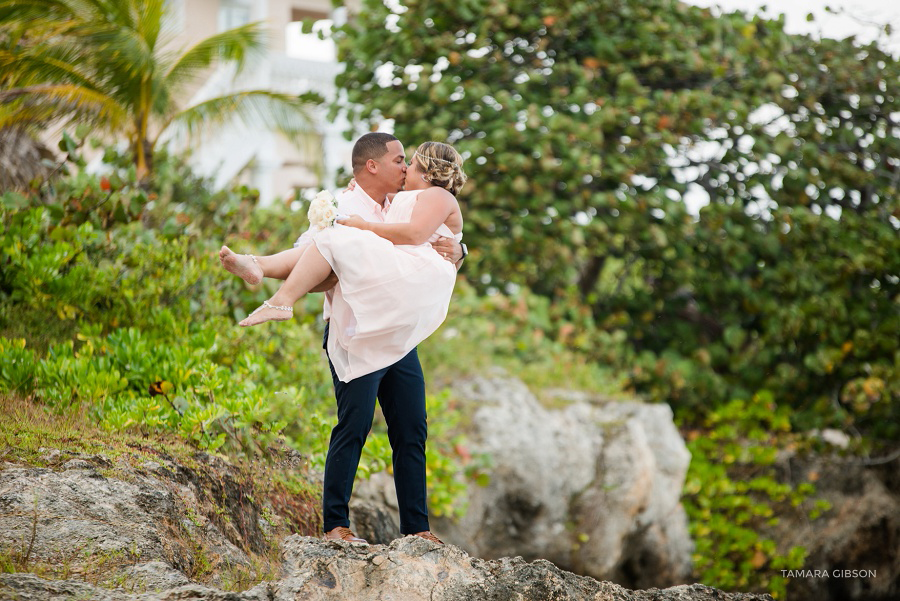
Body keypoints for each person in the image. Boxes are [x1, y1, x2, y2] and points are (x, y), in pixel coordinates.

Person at [219, 133, 466, 544]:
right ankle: (335, 525)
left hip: (398, 336)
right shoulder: (343, 204)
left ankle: (417, 530)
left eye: (410, 162)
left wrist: (461, 251)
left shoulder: (405, 199)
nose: (406, 168)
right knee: (353, 425)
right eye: (400, 160)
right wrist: (336, 265)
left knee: (411, 430)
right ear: (373, 166)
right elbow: (313, 260)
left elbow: (435, 229)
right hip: (354, 332)